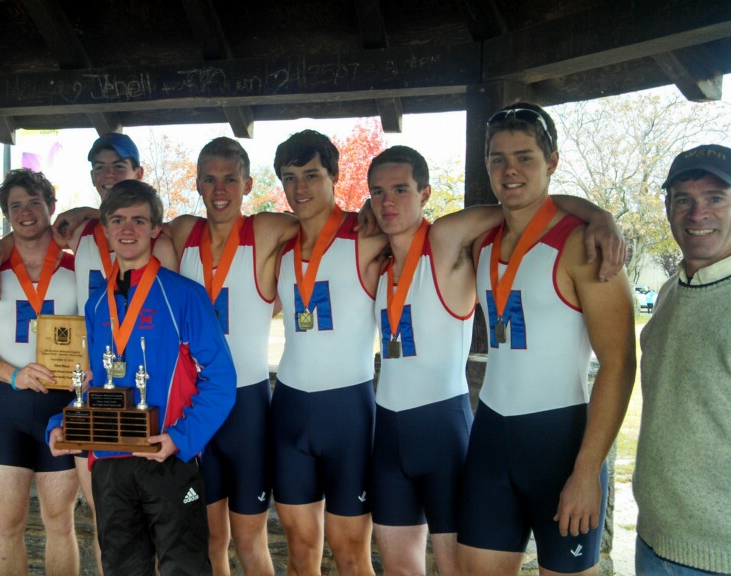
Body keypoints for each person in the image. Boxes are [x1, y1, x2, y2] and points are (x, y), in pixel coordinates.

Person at [366, 146, 624, 576]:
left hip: (444, 432)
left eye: (400, 190)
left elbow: (524, 201)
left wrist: (600, 216)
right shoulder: (374, 254)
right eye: (377, 193)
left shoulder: (447, 240)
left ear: (426, 193)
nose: (387, 201)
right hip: (390, 434)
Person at [0, 133, 177, 576]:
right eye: (99, 168)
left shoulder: (142, 236)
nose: (26, 214)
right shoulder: (79, 233)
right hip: (54, 400)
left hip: (118, 392)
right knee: (16, 524)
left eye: (117, 166)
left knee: (101, 522)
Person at [457, 103, 636, 576]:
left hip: (561, 447)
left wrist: (586, 471)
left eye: (525, 157)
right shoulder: (481, 241)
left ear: (552, 161)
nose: (510, 170)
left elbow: (620, 363)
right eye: (498, 159)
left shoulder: (583, 245)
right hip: (491, 440)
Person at [48, 180, 236, 576]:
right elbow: (94, 382)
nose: (127, 229)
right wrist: (62, 424)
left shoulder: (184, 294)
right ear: (106, 229)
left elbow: (221, 379)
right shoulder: (97, 303)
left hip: (166, 454)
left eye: (138, 220)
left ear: (155, 230)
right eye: (117, 220)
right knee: (120, 568)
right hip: (110, 462)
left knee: (183, 568)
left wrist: (181, 439)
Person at [168, 137, 299, 576]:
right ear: (198, 184)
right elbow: (122, 216)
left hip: (246, 406)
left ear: (247, 184)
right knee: (209, 539)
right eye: (209, 179)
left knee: (249, 540)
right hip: (196, 403)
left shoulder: (264, 230)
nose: (219, 189)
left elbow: (330, 224)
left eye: (229, 179)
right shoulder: (183, 232)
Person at [269, 130, 388, 576]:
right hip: (290, 411)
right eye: (290, 177)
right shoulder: (278, 248)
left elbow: (456, 232)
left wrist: (595, 217)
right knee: (300, 549)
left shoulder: (369, 236)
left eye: (312, 175)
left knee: (351, 552)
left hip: (349, 414)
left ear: (335, 176)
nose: (300, 188)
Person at [0, 169, 81, 575]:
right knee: (8, 526)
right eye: (15, 206)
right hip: (6, 409)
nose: (25, 212)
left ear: (51, 207)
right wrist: (12, 374)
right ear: (6, 215)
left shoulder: (78, 268)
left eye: (33, 202)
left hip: (62, 407)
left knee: (60, 523)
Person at [634, 144, 731, 576]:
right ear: (668, 207)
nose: (698, 214)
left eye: (715, 198)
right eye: (683, 200)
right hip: (655, 541)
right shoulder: (674, 290)